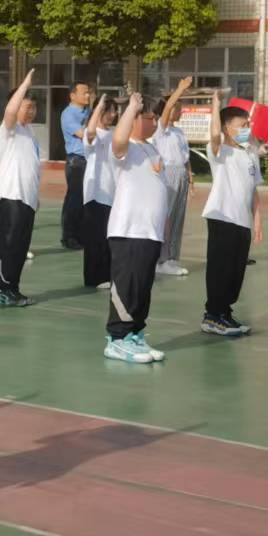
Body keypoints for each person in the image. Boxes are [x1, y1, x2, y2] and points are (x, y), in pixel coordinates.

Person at [102, 93, 170, 365]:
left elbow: (160, 190)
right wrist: (131, 108)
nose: (154, 122)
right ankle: (117, 340)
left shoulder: (152, 149)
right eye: (149, 117)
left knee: (142, 288)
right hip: (128, 230)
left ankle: (135, 334)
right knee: (127, 286)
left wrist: (163, 227)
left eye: (154, 118)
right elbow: (118, 139)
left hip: (150, 233)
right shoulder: (124, 148)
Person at [199, 93, 262, 338]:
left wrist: (256, 220)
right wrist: (215, 106)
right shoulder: (219, 151)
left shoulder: (249, 154)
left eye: (248, 125)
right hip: (222, 217)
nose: (247, 129)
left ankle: (224, 312)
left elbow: (253, 190)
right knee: (220, 269)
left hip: (242, 221)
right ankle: (212, 316)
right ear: (227, 127)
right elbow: (214, 135)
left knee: (236, 271)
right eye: (242, 125)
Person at [0, 69, 40, 308]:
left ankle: (13, 288)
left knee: (20, 248)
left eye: (33, 106)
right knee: (9, 245)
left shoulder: (30, 134)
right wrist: (24, 84)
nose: (30, 110)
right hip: (11, 197)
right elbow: (10, 112)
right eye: (26, 105)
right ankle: (1, 289)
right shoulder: (8, 130)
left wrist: (36, 196)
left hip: (27, 200)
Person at [154, 77, 195, 277]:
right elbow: (169, 105)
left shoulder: (179, 132)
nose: (180, 111)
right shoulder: (161, 130)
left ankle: (172, 258)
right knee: (166, 217)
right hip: (168, 173)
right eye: (178, 108)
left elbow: (185, 156)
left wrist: (189, 175)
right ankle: (160, 259)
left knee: (178, 217)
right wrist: (180, 89)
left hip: (180, 173)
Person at [79, 93, 115, 290]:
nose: (112, 114)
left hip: (112, 192)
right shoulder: (91, 134)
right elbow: (91, 131)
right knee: (96, 237)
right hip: (95, 192)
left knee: (108, 236)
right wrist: (98, 106)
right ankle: (94, 277)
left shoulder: (113, 134)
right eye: (108, 111)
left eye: (112, 111)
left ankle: (107, 274)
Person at [59, 81, 92, 249]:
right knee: (75, 199)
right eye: (84, 92)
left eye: (89, 92)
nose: (88, 95)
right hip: (76, 161)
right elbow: (83, 134)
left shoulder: (88, 111)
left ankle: (81, 235)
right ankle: (69, 237)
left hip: (89, 159)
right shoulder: (68, 114)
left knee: (86, 200)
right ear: (73, 95)